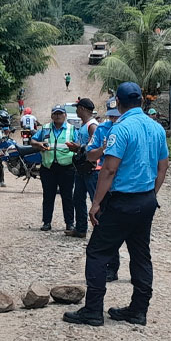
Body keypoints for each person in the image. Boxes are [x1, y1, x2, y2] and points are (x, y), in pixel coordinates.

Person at [64, 81, 169, 328]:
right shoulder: (156, 128)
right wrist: (150, 195)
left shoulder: (120, 129)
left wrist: (96, 203)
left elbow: (109, 170)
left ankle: (92, 311)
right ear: (141, 101)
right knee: (141, 255)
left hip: (121, 201)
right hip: (146, 200)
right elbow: (162, 167)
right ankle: (138, 310)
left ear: (118, 104)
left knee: (98, 252)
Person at [86, 102, 123, 281]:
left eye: (117, 115)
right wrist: (103, 149)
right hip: (103, 182)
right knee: (105, 227)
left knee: (134, 236)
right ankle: (110, 267)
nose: (114, 119)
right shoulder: (102, 129)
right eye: (111, 116)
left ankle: (137, 274)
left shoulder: (129, 128)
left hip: (124, 186)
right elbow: (90, 154)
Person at [32, 106, 80, 233]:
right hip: (48, 168)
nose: (58, 116)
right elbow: (33, 141)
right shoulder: (46, 128)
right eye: (55, 114)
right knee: (48, 196)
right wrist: (38, 144)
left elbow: (80, 145)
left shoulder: (72, 129)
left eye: (60, 113)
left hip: (67, 168)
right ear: (52, 116)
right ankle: (47, 222)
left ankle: (70, 223)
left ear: (65, 115)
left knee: (67, 196)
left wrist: (76, 147)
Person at [67, 97, 100, 238]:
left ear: (83, 109)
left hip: (91, 169)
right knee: (78, 198)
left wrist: (79, 147)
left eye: (78, 108)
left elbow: (96, 146)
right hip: (82, 168)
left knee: (95, 200)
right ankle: (81, 228)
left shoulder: (92, 126)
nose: (76, 110)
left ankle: (100, 230)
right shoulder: (84, 124)